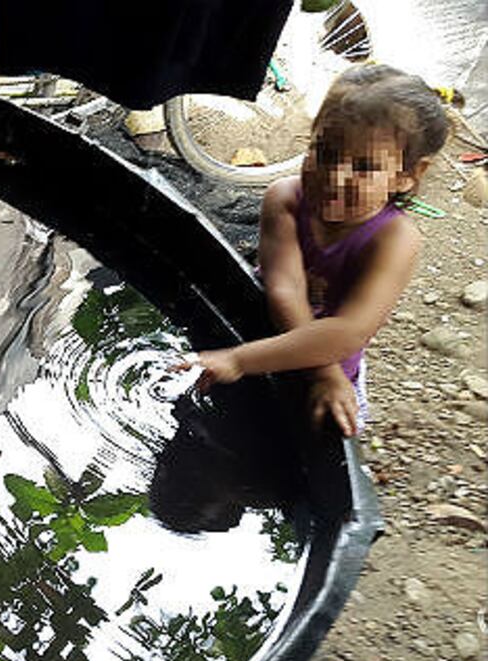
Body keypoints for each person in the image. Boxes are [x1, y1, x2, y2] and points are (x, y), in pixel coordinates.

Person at [181, 64, 449, 437]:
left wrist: (244, 361)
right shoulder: (286, 198)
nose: (335, 177)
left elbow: (347, 332)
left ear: (409, 174)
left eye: (364, 167)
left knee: (322, 440)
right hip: (269, 336)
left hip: (335, 363)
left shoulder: (394, 239)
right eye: (324, 152)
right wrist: (320, 370)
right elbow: (284, 289)